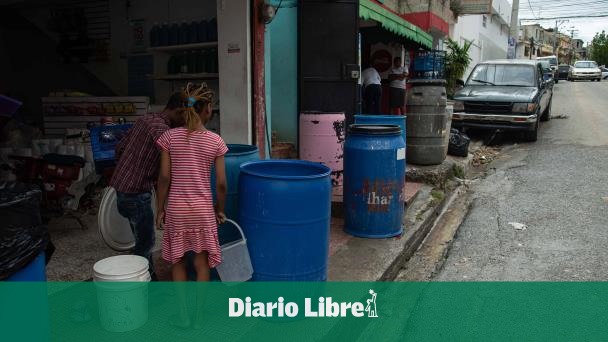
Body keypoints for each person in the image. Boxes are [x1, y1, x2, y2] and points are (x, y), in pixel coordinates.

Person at [155, 83, 227, 328]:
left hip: (176, 209)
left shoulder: (168, 137)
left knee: (177, 262)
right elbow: (222, 184)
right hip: (202, 210)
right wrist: (220, 209)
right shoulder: (215, 141)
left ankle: (183, 316)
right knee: (201, 263)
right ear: (207, 110)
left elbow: (164, 177)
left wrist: (160, 208)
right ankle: (198, 317)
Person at [110, 92, 184, 280]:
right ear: (177, 111)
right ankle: (144, 287)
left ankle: (148, 277)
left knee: (141, 239)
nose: (185, 122)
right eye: (184, 116)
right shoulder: (163, 130)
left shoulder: (145, 119)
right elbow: (169, 171)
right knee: (145, 243)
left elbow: (119, 148)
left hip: (121, 190)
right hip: (136, 193)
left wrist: (129, 171)